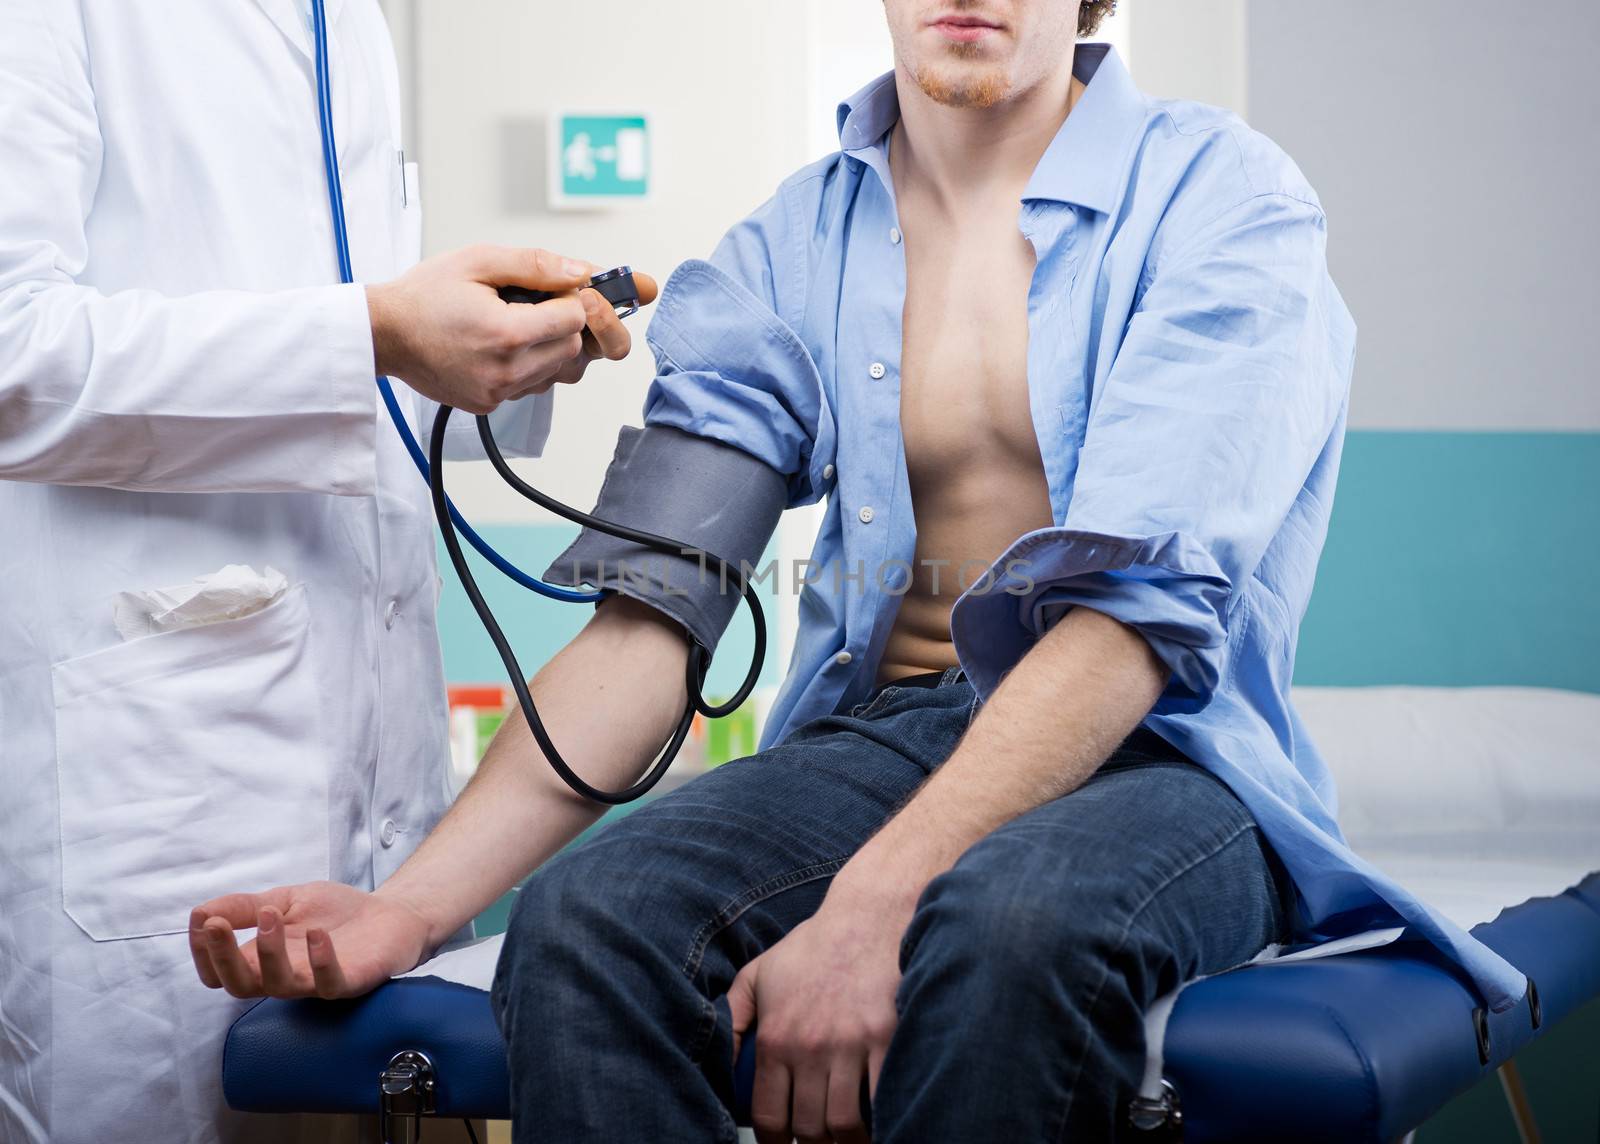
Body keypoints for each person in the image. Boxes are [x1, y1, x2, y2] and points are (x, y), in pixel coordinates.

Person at [194, 0, 1529, 1140]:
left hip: (1171, 757)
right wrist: (410, 912)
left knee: (1010, 929)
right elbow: (647, 636)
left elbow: (1130, 629)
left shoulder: (1226, 202)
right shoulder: (786, 250)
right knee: (588, 920)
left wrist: (871, 905)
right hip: (884, 738)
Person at [0, 2, 655, 1142]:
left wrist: (478, 350)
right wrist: (373, 335)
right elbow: (16, 361)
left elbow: (315, 337)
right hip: (152, 786)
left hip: (368, 802)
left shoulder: (343, 23)